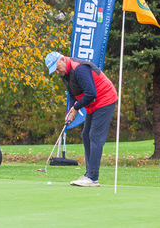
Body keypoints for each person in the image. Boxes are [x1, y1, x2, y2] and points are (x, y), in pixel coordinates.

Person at [45, 52, 118, 187]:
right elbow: (72, 93)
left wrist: (76, 108)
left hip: (105, 99)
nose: (56, 71)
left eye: (56, 67)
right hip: (93, 104)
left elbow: (91, 93)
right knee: (86, 135)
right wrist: (71, 110)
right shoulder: (64, 73)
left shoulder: (79, 68)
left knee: (94, 136)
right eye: (53, 70)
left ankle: (92, 177)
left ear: (62, 59)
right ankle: (89, 174)